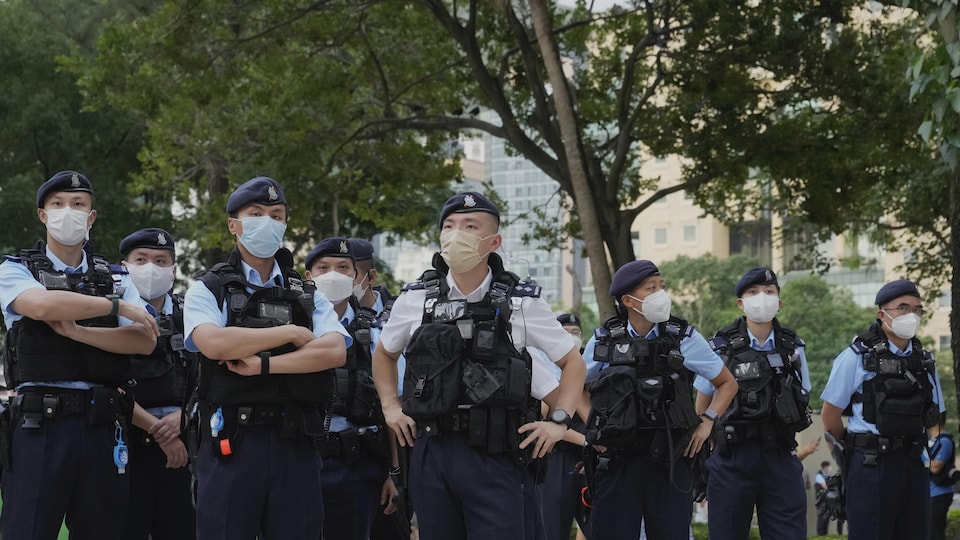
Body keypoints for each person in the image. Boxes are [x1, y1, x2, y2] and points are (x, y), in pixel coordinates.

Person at [372, 191, 587, 540]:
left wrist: (559, 422)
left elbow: (572, 362)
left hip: (496, 453)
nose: (456, 234)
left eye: (470, 226)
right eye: (449, 226)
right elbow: (384, 354)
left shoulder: (519, 302)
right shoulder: (416, 298)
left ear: (493, 241)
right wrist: (390, 405)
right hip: (432, 450)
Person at [183, 176, 350, 539]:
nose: (268, 222)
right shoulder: (208, 287)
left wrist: (263, 363)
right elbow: (213, 344)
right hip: (233, 442)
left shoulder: (307, 294)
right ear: (234, 224)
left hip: (296, 443)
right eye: (256, 213)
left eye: (276, 214)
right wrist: (289, 334)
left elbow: (334, 350)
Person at [0, 170, 160, 539]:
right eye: (57, 204)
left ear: (91, 217)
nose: (67, 212)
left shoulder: (118, 277)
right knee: (28, 529)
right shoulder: (17, 269)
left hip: (102, 424)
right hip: (41, 425)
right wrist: (115, 306)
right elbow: (41, 305)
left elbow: (144, 341)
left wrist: (79, 331)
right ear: (42, 215)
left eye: (78, 204)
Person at [582, 260, 737, 540]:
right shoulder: (604, 340)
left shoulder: (683, 338)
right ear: (628, 300)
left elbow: (727, 383)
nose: (660, 294)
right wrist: (592, 427)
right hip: (617, 459)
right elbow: (573, 386)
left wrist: (707, 422)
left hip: (670, 459)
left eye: (661, 287)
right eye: (650, 288)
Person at [821, 278, 945, 540]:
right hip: (870, 463)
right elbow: (830, 414)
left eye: (916, 309)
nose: (911, 315)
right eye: (903, 308)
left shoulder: (925, 361)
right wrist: (850, 452)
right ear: (882, 314)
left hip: (913, 462)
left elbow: (936, 415)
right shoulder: (856, 356)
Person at [695, 267, 812, 540]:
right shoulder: (720, 347)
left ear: (779, 303)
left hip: (780, 455)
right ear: (741, 303)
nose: (762, 297)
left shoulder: (793, 347)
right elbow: (701, 405)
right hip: (732, 457)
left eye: (770, 292)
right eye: (753, 292)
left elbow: (802, 396)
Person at [304, 237, 398, 540]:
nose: (333, 275)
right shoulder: (290, 326)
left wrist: (394, 471)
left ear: (357, 276)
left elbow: (392, 405)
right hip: (297, 460)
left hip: (356, 464)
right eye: (323, 268)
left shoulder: (376, 333)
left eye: (343, 268)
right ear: (309, 276)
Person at [119, 227, 197, 540]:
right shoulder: (111, 314)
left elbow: (209, 377)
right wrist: (159, 431)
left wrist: (186, 417)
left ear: (174, 271)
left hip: (185, 448)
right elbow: (109, 380)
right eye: (142, 259)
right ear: (125, 267)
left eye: (161, 260)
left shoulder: (191, 315)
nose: (152, 267)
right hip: (128, 445)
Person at [540, 313, 589, 540]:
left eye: (576, 332)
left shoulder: (591, 367)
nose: (572, 337)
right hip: (557, 458)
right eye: (565, 333)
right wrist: (588, 442)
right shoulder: (546, 369)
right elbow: (547, 420)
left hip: (589, 459)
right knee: (553, 527)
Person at [928, 413, 956, 540]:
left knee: (934, 534)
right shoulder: (931, 441)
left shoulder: (944, 441)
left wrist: (921, 455)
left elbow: (935, 467)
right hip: (931, 494)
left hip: (939, 495)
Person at [815, 460, 843, 535]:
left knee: (827, 517)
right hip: (821, 500)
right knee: (822, 516)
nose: (829, 468)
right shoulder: (819, 476)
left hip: (828, 500)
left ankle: (824, 533)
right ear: (825, 467)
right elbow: (825, 486)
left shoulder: (828, 476)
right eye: (828, 466)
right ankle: (821, 534)